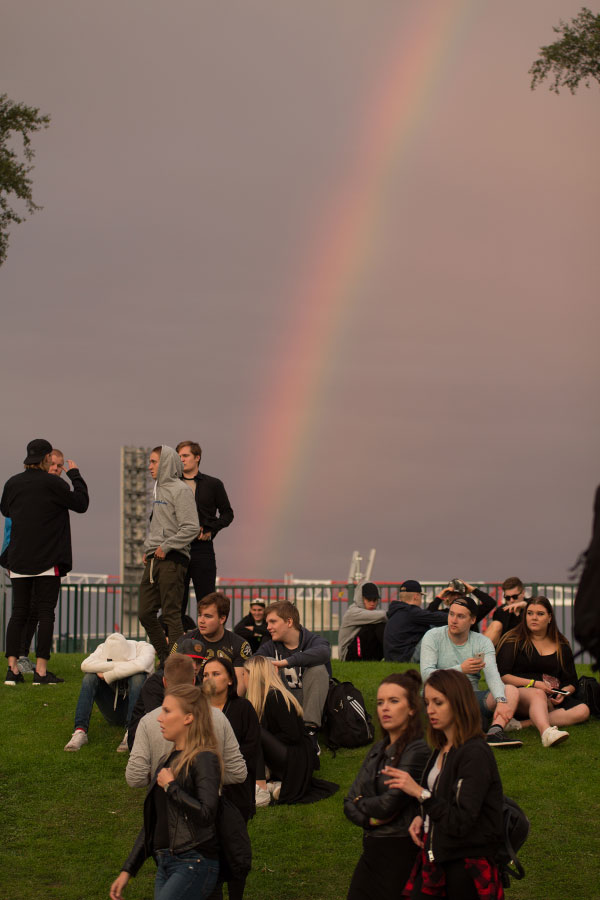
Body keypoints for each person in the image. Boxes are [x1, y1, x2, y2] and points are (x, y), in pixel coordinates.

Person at [384, 669, 506, 900]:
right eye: (427, 702)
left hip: (465, 864)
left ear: (458, 702)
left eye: (438, 702)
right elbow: (442, 799)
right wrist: (422, 817)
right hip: (436, 857)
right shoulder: (441, 748)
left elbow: (461, 822)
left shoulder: (475, 753)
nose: (430, 710)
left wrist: (420, 794)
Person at [110, 684, 221, 900]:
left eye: (167, 711)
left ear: (188, 718)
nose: (160, 718)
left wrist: (171, 787)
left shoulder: (204, 758)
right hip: (166, 863)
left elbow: (207, 814)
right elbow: (153, 824)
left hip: (193, 860)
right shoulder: (166, 761)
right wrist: (128, 870)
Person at [1, 438, 89, 685]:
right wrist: (75, 475)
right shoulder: (54, 484)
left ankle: (12, 671)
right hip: (48, 560)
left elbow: (5, 510)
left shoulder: (13, 483)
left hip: (18, 558)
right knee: (45, 612)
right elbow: (81, 504)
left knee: (18, 613)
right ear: (47, 459)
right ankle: (40, 671)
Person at [344, 670, 429, 899]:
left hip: (400, 849)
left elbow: (389, 804)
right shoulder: (377, 749)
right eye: (380, 702)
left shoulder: (417, 749)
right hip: (372, 848)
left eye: (393, 701)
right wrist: (369, 819)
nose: (385, 708)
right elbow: (348, 801)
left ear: (411, 708)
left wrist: (362, 803)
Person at [126, 652, 247, 788]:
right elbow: (238, 773)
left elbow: (135, 778)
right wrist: (205, 780)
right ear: (194, 681)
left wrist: (161, 777)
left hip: (166, 802)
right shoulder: (218, 716)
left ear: (165, 682)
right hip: (209, 802)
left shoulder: (148, 722)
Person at [420, 596, 522, 748]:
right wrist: (461, 669)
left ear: (472, 620)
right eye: (451, 614)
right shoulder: (433, 636)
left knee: (510, 691)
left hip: (471, 696)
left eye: (460, 616)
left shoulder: (483, 642)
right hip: (439, 695)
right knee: (472, 721)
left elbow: (492, 675)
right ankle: (471, 724)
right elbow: (427, 676)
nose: (454, 620)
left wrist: (501, 700)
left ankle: (495, 731)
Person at [242, 655, 338, 806]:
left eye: (244, 674)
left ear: (254, 676)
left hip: (297, 757)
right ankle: (274, 784)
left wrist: (267, 741)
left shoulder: (275, 698)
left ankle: (261, 787)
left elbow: (293, 735)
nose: (242, 678)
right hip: (288, 755)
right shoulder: (263, 699)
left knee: (256, 732)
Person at [496, 596, 590, 747]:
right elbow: (502, 676)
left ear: (549, 617)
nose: (534, 618)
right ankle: (546, 732)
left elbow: (571, 680)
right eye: (530, 613)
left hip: (550, 696)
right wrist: (534, 684)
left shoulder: (561, 644)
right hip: (519, 695)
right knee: (538, 694)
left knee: (583, 710)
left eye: (540, 614)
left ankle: (521, 725)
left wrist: (563, 692)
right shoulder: (512, 640)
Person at [203, 656, 261, 900]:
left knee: (235, 851)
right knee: (210, 851)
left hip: (236, 793)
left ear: (229, 679)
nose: (209, 678)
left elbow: (251, 747)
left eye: (216, 674)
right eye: (205, 674)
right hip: (206, 795)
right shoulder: (197, 711)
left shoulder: (243, 708)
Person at [138, 445, 200, 665]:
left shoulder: (180, 490)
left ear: (165, 463)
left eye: (154, 462)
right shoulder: (158, 489)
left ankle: (177, 666)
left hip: (172, 560)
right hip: (154, 560)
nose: (149, 467)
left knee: (172, 615)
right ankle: (167, 659)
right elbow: (159, 525)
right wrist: (149, 550)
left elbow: (192, 527)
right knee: (145, 613)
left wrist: (166, 546)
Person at [16, 447, 67, 674]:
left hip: (45, 559)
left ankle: (26, 659)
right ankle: (22, 657)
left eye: (59, 466)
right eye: (53, 464)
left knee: (39, 610)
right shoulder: (33, 488)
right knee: (28, 609)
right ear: (45, 463)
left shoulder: (55, 490)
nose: (56, 469)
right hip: (28, 559)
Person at [64, 632, 155, 752]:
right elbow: (85, 665)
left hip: (139, 712)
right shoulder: (103, 648)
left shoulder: (145, 648)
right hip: (113, 710)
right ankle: (80, 732)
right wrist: (124, 667)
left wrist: (108, 674)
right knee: (89, 678)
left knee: (138, 677)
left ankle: (132, 733)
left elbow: (140, 665)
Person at [255, 600, 331, 743]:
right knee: (264, 663)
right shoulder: (270, 646)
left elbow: (324, 653)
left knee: (318, 669)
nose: (268, 627)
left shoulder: (313, 641)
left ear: (289, 622)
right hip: (284, 706)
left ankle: (310, 734)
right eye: (267, 623)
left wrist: (287, 662)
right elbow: (252, 663)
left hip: (310, 705)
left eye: (273, 622)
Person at [177, 440, 234, 619]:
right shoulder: (170, 484)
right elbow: (156, 516)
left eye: (185, 456)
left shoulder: (213, 484)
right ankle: (174, 645)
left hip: (202, 549)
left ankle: (211, 644)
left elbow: (228, 514)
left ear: (197, 457)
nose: (181, 460)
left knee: (208, 601)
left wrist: (211, 529)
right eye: (178, 456)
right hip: (176, 549)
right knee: (176, 602)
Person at [127, 637, 207, 750]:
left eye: (198, 662)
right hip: (147, 736)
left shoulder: (198, 681)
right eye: (190, 660)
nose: (194, 666)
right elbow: (158, 719)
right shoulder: (155, 682)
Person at [172, 593, 252, 691]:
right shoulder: (184, 641)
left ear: (222, 619)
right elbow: (171, 676)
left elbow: (239, 688)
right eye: (200, 615)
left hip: (225, 702)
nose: (201, 621)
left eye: (208, 616)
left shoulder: (240, 645)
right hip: (191, 699)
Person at [384, 580, 449, 663]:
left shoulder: (398, 610)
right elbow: (442, 618)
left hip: (395, 657)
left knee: (433, 626)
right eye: (421, 596)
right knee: (439, 629)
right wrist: (459, 613)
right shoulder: (412, 612)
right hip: (407, 658)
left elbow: (428, 614)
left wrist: (439, 598)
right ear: (416, 596)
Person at [338, 580, 387, 661]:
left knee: (381, 624)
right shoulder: (352, 612)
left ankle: (391, 656)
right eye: (368, 599)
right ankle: (394, 656)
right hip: (347, 655)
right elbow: (384, 615)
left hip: (363, 651)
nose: (372, 603)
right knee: (376, 625)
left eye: (375, 600)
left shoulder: (374, 613)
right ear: (361, 598)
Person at [484, 578, 528, 647]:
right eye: (508, 598)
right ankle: (479, 656)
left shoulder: (531, 605)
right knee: (496, 624)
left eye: (515, 597)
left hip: (527, 646)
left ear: (523, 593)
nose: (511, 600)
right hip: (506, 649)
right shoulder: (501, 611)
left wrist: (525, 606)